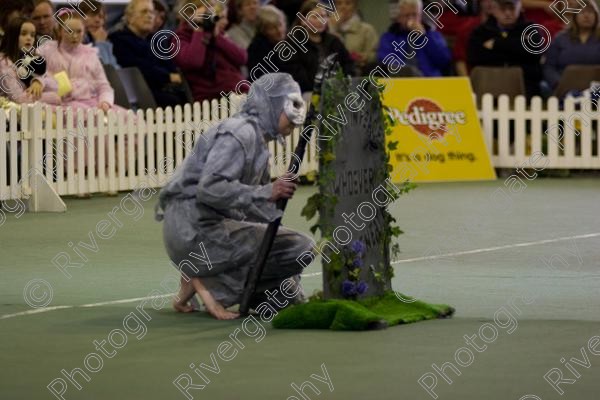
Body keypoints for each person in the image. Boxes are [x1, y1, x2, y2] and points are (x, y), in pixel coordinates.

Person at [156, 73, 312, 320]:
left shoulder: (257, 140)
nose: (296, 115)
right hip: (194, 231)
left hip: (199, 229)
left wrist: (272, 198)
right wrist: (267, 192)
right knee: (300, 247)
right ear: (271, 104)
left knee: (284, 295)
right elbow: (210, 189)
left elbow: (252, 210)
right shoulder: (240, 134)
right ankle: (211, 283)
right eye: (289, 104)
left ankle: (204, 278)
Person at [109, 0, 188, 108]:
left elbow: (168, 63)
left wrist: (175, 75)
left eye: (151, 12)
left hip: (162, 88)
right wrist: (168, 76)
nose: (149, 16)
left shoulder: (154, 40)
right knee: (174, 101)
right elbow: (138, 68)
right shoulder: (119, 40)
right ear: (130, 17)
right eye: (144, 12)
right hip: (139, 92)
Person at [38, 9, 116, 112]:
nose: (74, 36)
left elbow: (103, 85)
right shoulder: (47, 51)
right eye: (69, 31)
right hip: (57, 105)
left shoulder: (90, 55)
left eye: (79, 31)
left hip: (90, 103)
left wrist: (105, 102)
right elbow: (38, 78)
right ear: (60, 31)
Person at [173, 0, 247, 101]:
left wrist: (217, 37)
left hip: (238, 91)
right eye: (208, 10)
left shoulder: (217, 33)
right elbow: (193, 62)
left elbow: (242, 58)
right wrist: (198, 29)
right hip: (211, 98)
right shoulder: (180, 37)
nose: (212, 13)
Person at [468, 0, 544, 98]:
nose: (507, 13)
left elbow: (534, 54)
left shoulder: (532, 29)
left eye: (512, 8)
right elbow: (476, 58)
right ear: (493, 9)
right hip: (489, 85)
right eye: (502, 8)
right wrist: (517, 48)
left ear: (520, 8)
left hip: (526, 88)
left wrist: (497, 43)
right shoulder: (480, 32)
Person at [284, 0, 355, 94]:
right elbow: (298, 78)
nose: (321, 21)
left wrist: (343, 84)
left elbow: (348, 65)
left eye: (324, 16)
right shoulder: (292, 44)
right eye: (315, 17)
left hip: (336, 91)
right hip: (305, 93)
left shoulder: (334, 41)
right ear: (303, 21)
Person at [377, 0, 452, 77]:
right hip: (401, 80)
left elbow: (444, 60)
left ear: (420, 16)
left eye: (414, 15)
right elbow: (385, 60)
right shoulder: (389, 37)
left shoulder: (433, 35)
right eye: (407, 15)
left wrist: (424, 37)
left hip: (429, 80)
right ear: (399, 18)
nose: (411, 19)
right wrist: (409, 72)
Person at [0, 16, 60, 105]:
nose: (29, 38)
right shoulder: (3, 62)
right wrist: (54, 97)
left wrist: (38, 82)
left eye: (32, 35)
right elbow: (18, 99)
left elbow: (55, 85)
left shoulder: (33, 59)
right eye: (24, 34)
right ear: (12, 36)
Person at [543, 0, 600, 91]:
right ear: (574, 16)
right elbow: (549, 67)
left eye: (590, 12)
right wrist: (558, 84)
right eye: (581, 12)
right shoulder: (560, 39)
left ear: (596, 16)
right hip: (565, 88)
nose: (586, 16)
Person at [328, 0, 379, 75]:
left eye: (348, 3)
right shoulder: (327, 29)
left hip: (358, 73)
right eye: (339, 3)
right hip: (331, 72)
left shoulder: (366, 30)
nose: (343, 7)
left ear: (355, 7)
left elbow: (375, 54)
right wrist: (332, 27)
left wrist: (365, 57)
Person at [454, 0, 497, 76]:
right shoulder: (467, 28)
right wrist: (467, 83)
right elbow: (460, 61)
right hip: (475, 78)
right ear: (479, 2)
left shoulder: (510, 28)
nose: (490, 2)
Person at [247, 5, 288, 80]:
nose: (279, 31)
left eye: (280, 25)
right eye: (272, 28)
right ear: (263, 30)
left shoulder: (287, 43)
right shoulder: (257, 49)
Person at [79, 0, 120, 68]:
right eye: (92, 15)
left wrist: (102, 43)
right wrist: (100, 43)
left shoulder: (105, 41)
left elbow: (114, 68)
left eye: (101, 17)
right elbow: (102, 67)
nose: (97, 20)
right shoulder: (75, 41)